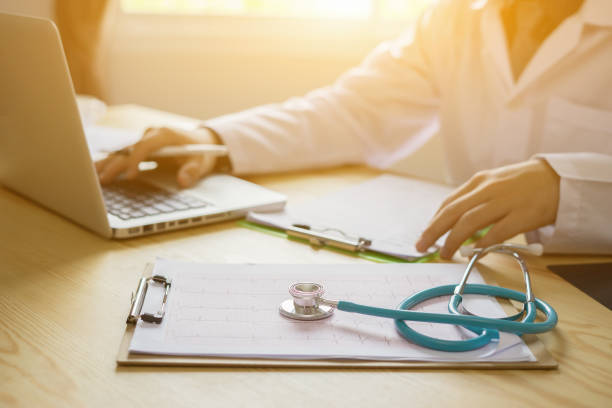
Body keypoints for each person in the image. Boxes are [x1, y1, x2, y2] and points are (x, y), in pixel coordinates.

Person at [96, 0, 612, 258]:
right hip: (479, 276)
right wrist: (213, 140)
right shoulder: (455, 16)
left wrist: (569, 186)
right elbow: (354, 112)